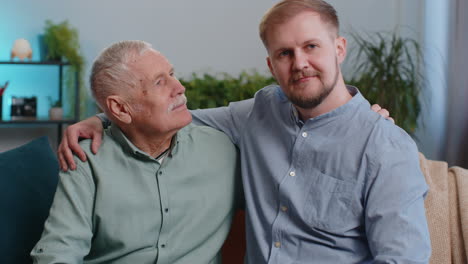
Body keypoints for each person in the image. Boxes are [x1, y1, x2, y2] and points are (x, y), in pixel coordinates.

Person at [59, 0, 431, 263]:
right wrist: (102, 119)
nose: (299, 63)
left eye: (311, 46)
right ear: (271, 64)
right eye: (285, 53)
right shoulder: (259, 111)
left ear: (339, 49)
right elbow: (172, 115)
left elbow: (402, 259)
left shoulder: (385, 146)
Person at [31, 40, 242, 263]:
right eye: (160, 82)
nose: (179, 87)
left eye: (172, 74)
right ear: (121, 109)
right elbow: (59, 252)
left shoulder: (223, 150)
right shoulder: (87, 162)